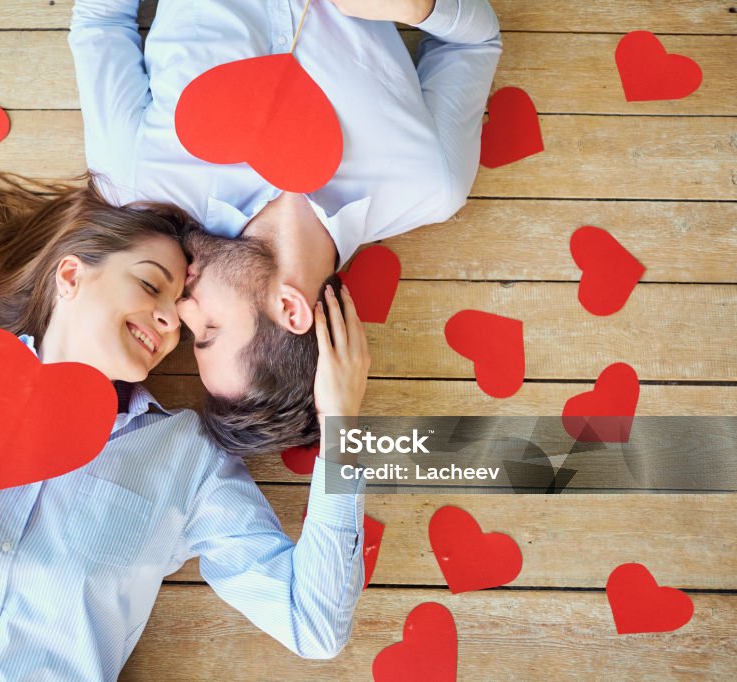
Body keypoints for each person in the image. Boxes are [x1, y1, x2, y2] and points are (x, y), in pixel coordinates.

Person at [0, 168, 371, 680]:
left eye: (184, 322)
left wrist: (342, 426)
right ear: (71, 276)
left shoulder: (186, 463)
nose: (170, 319)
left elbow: (314, 625)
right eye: (150, 284)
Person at [70, 0, 502, 454]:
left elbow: (100, 20)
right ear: (290, 309)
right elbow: (477, 40)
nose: (182, 310)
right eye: (209, 330)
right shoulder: (430, 183)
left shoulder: (138, 182)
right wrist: (422, 8)